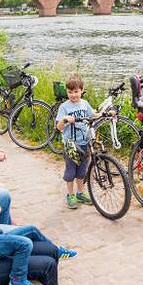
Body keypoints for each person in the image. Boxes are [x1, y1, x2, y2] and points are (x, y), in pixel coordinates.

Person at [55, 74, 95, 209]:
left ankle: (80, 193)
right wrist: (65, 119)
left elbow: (92, 115)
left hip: (84, 142)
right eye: (70, 92)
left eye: (76, 91)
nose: (73, 95)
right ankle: (70, 194)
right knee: (71, 171)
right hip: (70, 145)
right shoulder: (64, 107)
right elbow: (58, 127)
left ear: (82, 90)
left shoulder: (85, 104)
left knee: (82, 171)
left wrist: (104, 113)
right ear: (66, 92)